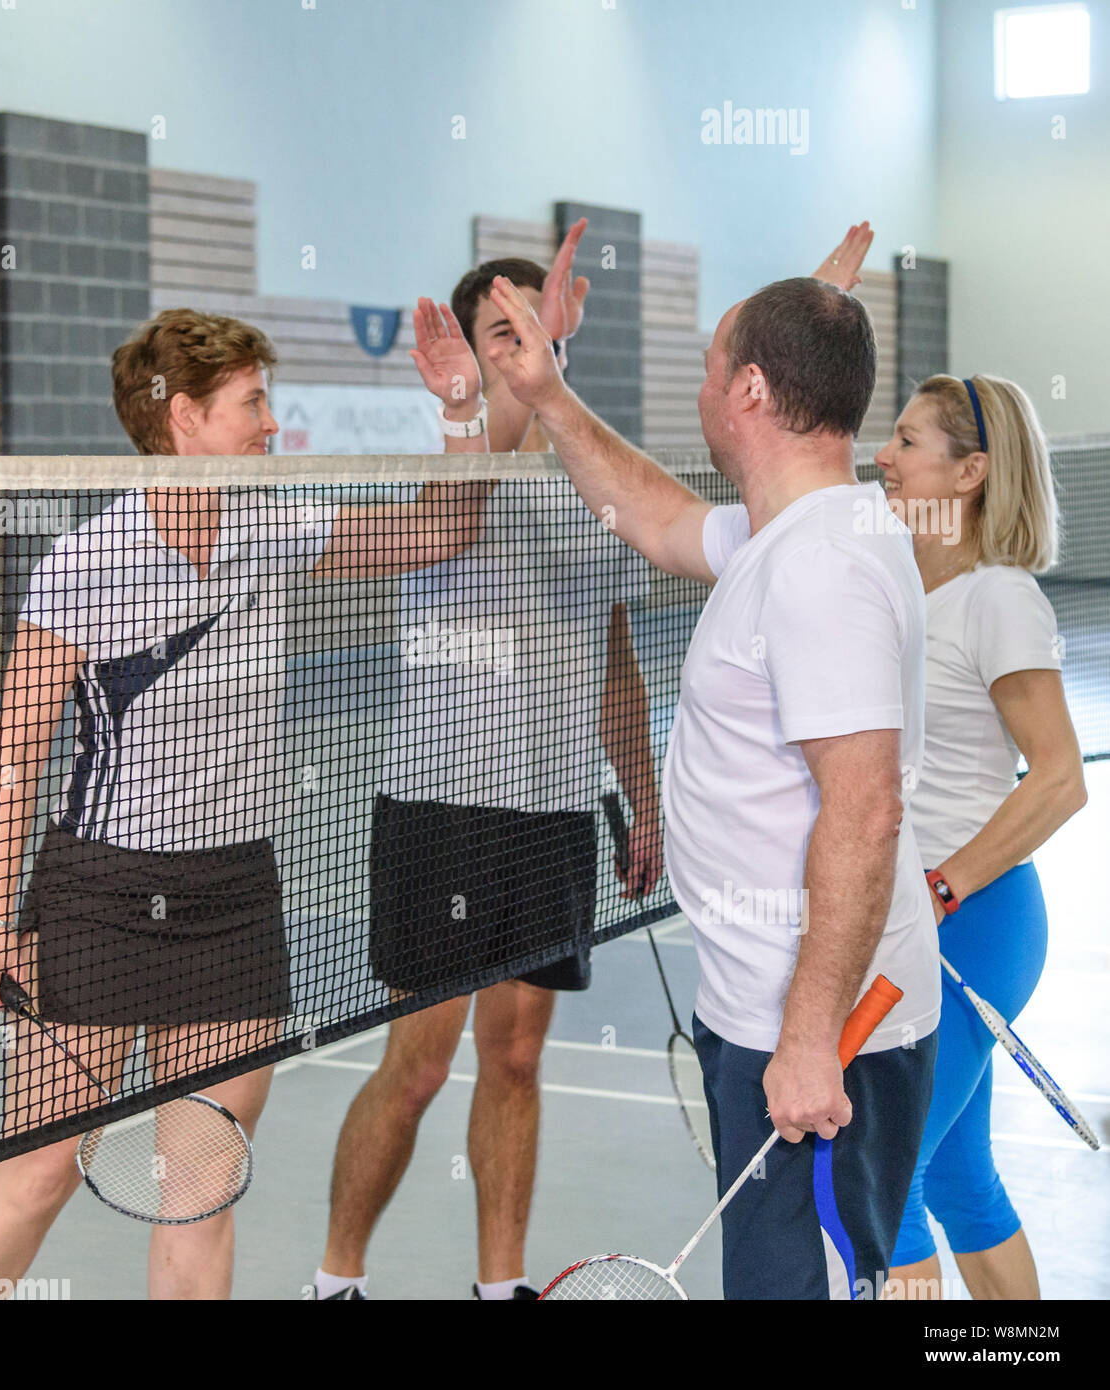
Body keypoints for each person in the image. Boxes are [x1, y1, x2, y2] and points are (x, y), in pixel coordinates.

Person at [0, 301, 493, 1300]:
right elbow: (14, 757)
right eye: (252, 402)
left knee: (199, 1192)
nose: (271, 423)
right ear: (181, 416)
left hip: (234, 900)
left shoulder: (275, 526)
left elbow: (443, 527)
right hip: (100, 899)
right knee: (37, 1173)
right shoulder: (84, 567)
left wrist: (460, 409)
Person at [481, 259, 941, 1299]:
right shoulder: (792, 533)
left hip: (818, 1030)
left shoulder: (821, 565)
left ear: (748, 393)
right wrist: (549, 396)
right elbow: (651, 513)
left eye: (710, 365)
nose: (700, 385)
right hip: (771, 1006)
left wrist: (810, 1038)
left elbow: (863, 810)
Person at [314, 223, 664, 1302]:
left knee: (516, 1061)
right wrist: (517, 373)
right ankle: (337, 1278)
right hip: (444, 806)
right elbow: (458, 506)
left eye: (529, 322)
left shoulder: (596, 470)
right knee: (416, 1065)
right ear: (463, 356)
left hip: (554, 808)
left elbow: (614, 663)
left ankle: (500, 1286)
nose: (516, 343)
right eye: (496, 330)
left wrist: (640, 803)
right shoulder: (452, 461)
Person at [879, 374, 1086, 1300]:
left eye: (908, 442)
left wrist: (943, 888)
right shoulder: (896, 583)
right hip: (911, 919)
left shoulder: (999, 599)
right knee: (962, 1184)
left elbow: (1059, 778)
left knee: (885, 1176)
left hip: (975, 921)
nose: (884, 456)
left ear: (970, 472)